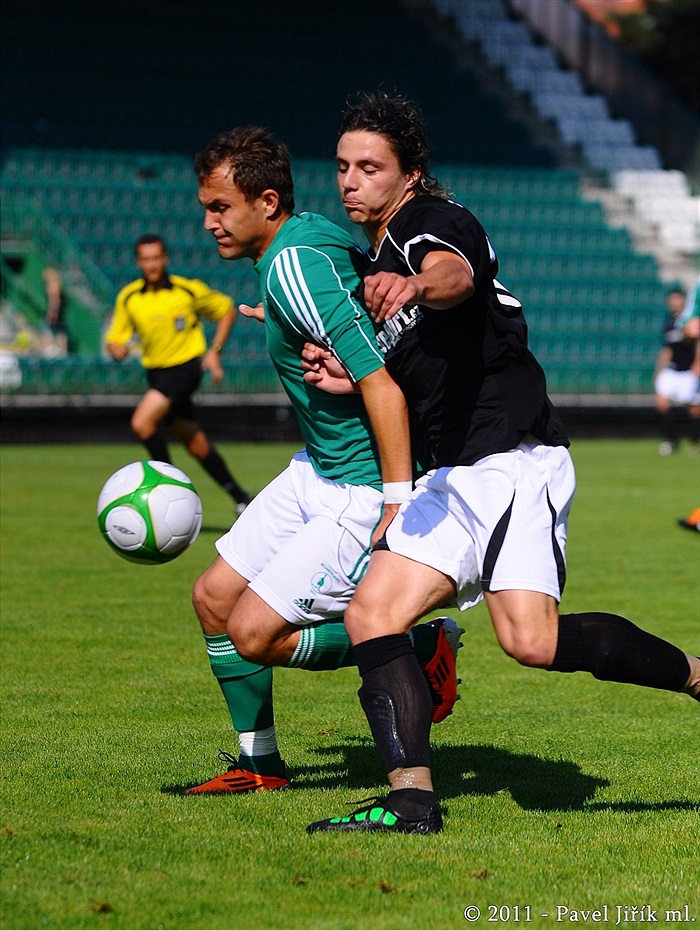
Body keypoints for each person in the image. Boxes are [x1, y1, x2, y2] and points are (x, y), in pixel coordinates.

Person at [297, 92, 699, 835]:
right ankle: (699, 677)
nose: (350, 181)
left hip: (508, 458)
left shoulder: (430, 227)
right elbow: (417, 369)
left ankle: (410, 800)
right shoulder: (375, 263)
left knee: (372, 612)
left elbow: (455, 275)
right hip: (472, 468)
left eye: (370, 167)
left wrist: (419, 283)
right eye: (343, 167)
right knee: (532, 642)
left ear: (410, 174)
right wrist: (347, 374)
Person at [186, 126, 463, 794]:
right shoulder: (305, 238)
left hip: (361, 487)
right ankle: (261, 765)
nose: (208, 222)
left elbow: (381, 385)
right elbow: (354, 296)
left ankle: (422, 647)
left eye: (220, 207)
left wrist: (396, 500)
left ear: (267, 200)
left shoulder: (291, 264)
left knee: (254, 634)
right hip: (317, 466)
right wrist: (284, 323)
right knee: (214, 599)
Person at [104, 234, 250, 514]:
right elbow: (116, 338)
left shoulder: (186, 290)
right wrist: (116, 349)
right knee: (195, 443)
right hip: (156, 374)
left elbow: (226, 311)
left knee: (142, 423)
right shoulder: (129, 297)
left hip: (184, 369)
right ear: (139, 263)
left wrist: (214, 352)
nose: (152, 265)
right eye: (146, 259)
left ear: (165, 258)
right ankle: (241, 496)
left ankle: (168, 488)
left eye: (156, 258)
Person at [653, 285, 700, 455]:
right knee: (662, 403)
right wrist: (659, 369)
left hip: (688, 371)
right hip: (672, 370)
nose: (674, 302)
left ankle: (694, 441)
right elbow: (667, 349)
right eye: (671, 299)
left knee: (694, 408)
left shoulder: (692, 319)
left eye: (677, 298)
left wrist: (698, 363)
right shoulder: (669, 322)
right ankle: (671, 440)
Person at [41, 267, 69, 357]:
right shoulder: (57, 284)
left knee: (46, 329)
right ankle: (61, 352)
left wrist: (52, 313)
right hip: (59, 314)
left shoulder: (52, 285)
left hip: (54, 313)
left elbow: (54, 301)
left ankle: (50, 351)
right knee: (61, 331)